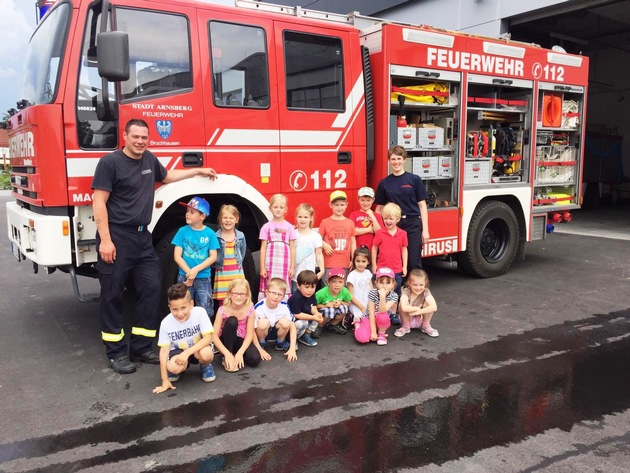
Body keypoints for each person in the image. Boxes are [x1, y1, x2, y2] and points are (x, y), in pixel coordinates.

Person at [92, 118, 218, 374]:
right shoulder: (110, 163)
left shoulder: (148, 159)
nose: (140, 141)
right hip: (117, 236)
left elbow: (168, 176)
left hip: (142, 238)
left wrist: (198, 171)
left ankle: (140, 348)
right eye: (135, 136)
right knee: (113, 294)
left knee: (151, 288)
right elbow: (98, 201)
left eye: (144, 137)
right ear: (125, 136)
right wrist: (106, 240)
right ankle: (116, 353)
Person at [152, 283, 216, 394]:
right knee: (173, 367)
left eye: (183, 308)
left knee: (207, 354)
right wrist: (164, 379)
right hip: (178, 353)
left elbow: (207, 338)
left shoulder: (200, 312)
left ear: (191, 304)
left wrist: (186, 353)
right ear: (169, 308)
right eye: (175, 309)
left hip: (197, 349)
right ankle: (177, 371)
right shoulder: (166, 323)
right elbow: (164, 352)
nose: (180, 313)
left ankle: (205, 366)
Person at [375, 145, 429, 272]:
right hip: (393, 226)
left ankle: (418, 290)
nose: (396, 162)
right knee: (395, 260)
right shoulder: (384, 183)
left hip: (413, 224)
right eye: (393, 159)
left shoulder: (414, 180)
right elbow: (379, 209)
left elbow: (422, 205)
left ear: (404, 160)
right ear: (389, 161)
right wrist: (379, 229)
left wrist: (425, 230)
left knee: (413, 261)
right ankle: (399, 290)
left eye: (399, 158)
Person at [172, 196, 219, 318]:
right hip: (185, 277)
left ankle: (205, 334)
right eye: (187, 211)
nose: (188, 214)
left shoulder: (210, 234)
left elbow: (213, 257)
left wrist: (195, 270)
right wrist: (189, 273)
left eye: (192, 212)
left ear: (202, 216)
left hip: (203, 277)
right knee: (183, 305)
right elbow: (177, 256)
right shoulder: (182, 231)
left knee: (205, 308)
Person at [212, 278, 261, 372]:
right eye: (235, 293)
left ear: (247, 295)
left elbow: (250, 334)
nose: (238, 297)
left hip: (241, 340)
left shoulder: (250, 308)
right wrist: (227, 354)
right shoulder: (222, 310)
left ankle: (237, 356)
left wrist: (240, 352)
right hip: (226, 341)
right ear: (230, 294)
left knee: (255, 359)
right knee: (232, 321)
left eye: (242, 294)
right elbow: (214, 336)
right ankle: (228, 355)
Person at [258, 194, 297, 301]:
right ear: (270, 208)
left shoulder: (289, 227)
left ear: (285, 209)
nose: (278, 210)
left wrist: (292, 267)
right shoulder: (266, 227)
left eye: (281, 207)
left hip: (285, 264)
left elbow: (293, 248)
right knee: (270, 283)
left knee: (283, 284)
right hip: (270, 264)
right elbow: (263, 248)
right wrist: (262, 267)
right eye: (275, 207)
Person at [253, 277, 298, 361]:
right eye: (273, 293)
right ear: (266, 292)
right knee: (262, 323)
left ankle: (280, 342)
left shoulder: (284, 306)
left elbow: (292, 326)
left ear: (283, 296)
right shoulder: (259, 307)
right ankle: (262, 343)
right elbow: (251, 329)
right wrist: (259, 349)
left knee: (286, 322)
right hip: (263, 332)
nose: (276, 296)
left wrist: (292, 348)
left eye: (280, 294)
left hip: (275, 331)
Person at [213, 204, 247, 308]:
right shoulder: (216, 236)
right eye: (225, 218)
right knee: (224, 301)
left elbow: (243, 252)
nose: (228, 220)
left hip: (236, 272)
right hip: (223, 273)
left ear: (236, 220)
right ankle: (223, 322)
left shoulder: (240, 236)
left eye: (231, 218)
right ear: (220, 219)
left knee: (238, 296)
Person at [319, 190, 356, 282]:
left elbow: (352, 242)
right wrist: (324, 244)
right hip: (328, 264)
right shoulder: (325, 222)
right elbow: (317, 239)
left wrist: (354, 258)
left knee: (341, 289)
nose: (339, 208)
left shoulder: (350, 223)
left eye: (342, 205)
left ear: (346, 205)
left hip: (344, 264)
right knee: (328, 289)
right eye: (336, 205)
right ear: (330, 205)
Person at [354, 267, 398, 346]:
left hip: (381, 320)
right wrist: (373, 332)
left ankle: (381, 334)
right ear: (376, 283)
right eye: (381, 282)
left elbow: (383, 310)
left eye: (388, 283)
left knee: (383, 316)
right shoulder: (372, 292)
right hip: (369, 318)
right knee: (362, 338)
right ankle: (357, 324)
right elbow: (371, 313)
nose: (384, 286)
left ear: (393, 284)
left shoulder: (394, 296)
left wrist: (382, 297)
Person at [372, 202, 408, 296]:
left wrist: (404, 266)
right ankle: (380, 309)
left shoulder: (403, 233)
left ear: (398, 219)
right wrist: (374, 265)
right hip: (382, 268)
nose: (388, 221)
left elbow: (404, 250)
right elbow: (374, 248)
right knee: (380, 292)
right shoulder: (380, 233)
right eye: (385, 218)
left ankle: (393, 310)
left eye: (391, 219)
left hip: (396, 269)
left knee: (396, 292)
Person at [395, 269, 439, 338]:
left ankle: (426, 326)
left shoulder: (426, 291)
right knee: (401, 304)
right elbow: (403, 307)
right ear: (409, 283)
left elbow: (434, 307)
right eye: (415, 285)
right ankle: (405, 326)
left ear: (425, 283)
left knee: (428, 303)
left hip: (421, 319)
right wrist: (416, 309)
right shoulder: (406, 291)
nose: (418, 288)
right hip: (407, 318)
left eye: (421, 285)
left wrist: (419, 311)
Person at [292, 203, 324, 292]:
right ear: (296, 217)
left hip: (310, 276)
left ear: (311, 218)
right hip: (295, 276)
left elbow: (319, 254)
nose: (302, 220)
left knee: (308, 299)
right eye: (300, 217)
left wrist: (322, 270)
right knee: (296, 298)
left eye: (306, 217)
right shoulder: (293, 234)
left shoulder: (316, 236)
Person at [287, 270, 324, 347]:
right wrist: (313, 317)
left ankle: (305, 335)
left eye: (313, 287)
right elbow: (297, 314)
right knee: (302, 323)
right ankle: (291, 338)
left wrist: (316, 314)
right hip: (292, 322)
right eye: (307, 287)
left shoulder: (311, 294)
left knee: (318, 316)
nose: (310, 290)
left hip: (305, 316)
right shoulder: (296, 298)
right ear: (298, 286)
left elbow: (313, 306)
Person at [315, 268, 352, 335]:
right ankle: (319, 326)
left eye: (340, 282)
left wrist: (341, 302)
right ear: (328, 282)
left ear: (344, 283)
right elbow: (313, 306)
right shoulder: (321, 293)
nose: (337, 285)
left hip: (334, 312)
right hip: (321, 312)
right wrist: (325, 305)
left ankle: (333, 325)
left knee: (344, 308)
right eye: (334, 281)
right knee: (330, 310)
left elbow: (348, 303)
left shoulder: (345, 291)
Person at [346, 246, 373, 327]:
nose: (360, 264)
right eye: (358, 261)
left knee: (371, 319)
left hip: (367, 303)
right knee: (360, 318)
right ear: (354, 260)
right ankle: (356, 323)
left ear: (368, 262)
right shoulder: (352, 275)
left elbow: (371, 289)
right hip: (356, 305)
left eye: (363, 261)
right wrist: (361, 307)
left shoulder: (368, 272)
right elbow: (350, 295)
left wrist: (372, 303)